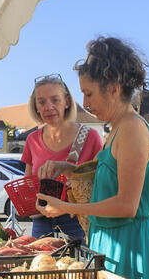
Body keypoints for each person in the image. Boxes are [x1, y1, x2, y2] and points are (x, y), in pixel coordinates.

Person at [35, 37, 149, 279]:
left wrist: (67, 207)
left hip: (132, 247)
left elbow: (127, 205)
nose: (85, 103)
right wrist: (67, 167)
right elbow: (108, 176)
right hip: (114, 242)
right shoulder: (117, 128)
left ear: (114, 88)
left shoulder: (132, 129)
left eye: (89, 93)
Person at [21, 73, 102, 240]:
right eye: (41, 102)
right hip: (41, 222)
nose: (48, 107)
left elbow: (100, 184)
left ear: (66, 101)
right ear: (36, 106)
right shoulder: (32, 140)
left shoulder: (90, 137)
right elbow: (28, 183)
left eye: (55, 100)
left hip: (77, 222)